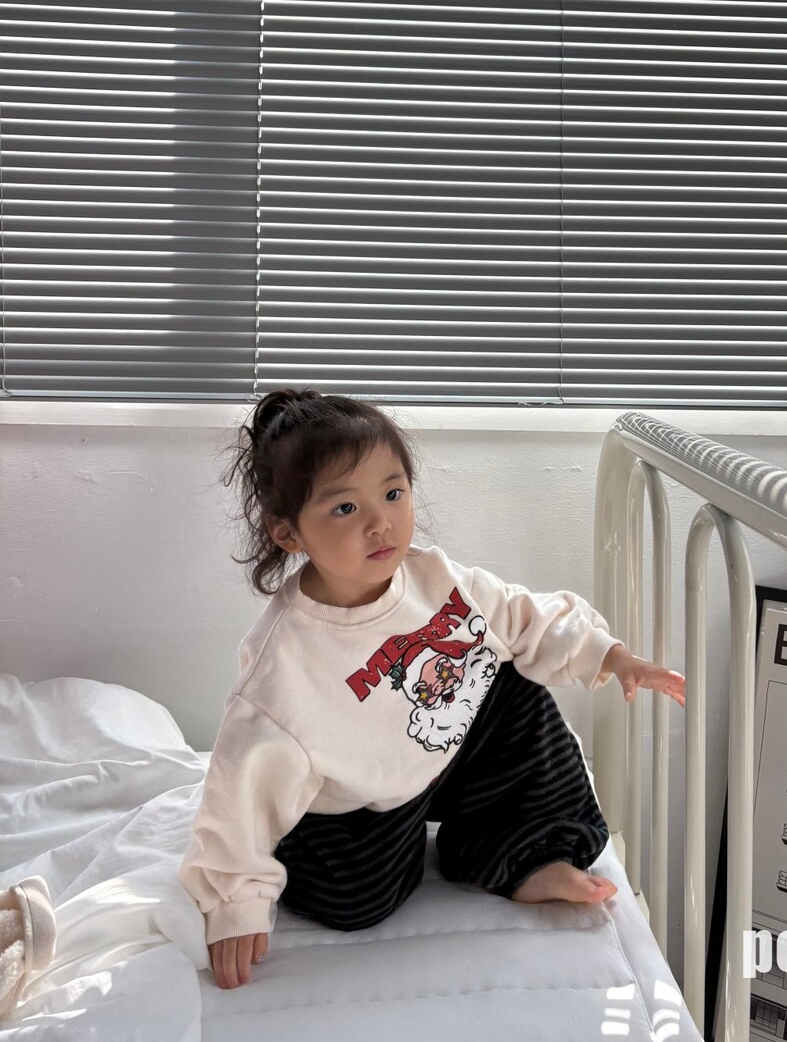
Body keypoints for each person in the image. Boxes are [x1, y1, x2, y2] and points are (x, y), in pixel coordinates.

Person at [179, 388, 686, 991]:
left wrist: (608, 653)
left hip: (442, 757)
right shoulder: (283, 666)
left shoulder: (434, 577)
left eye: (393, 494)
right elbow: (240, 784)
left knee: (509, 676)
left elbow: (521, 614)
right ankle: (368, 852)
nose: (380, 522)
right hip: (357, 802)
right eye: (345, 508)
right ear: (289, 533)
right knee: (353, 902)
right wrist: (235, 901)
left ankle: (520, 856)